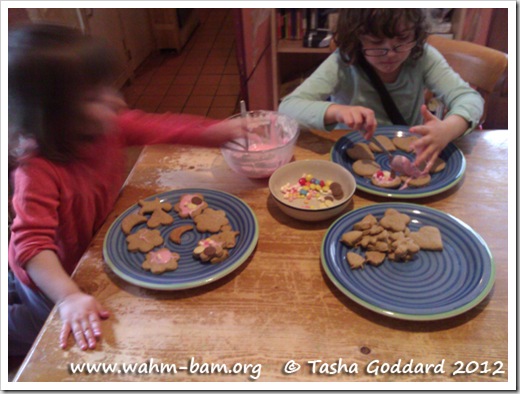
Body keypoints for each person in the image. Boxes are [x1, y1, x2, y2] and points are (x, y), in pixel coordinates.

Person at [8, 24, 244, 356]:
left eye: (107, 87)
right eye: (93, 97)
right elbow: (31, 247)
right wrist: (68, 296)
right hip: (52, 275)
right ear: (52, 116)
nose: (116, 101)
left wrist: (216, 131)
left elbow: (161, 126)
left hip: (87, 248)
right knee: (39, 329)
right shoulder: (38, 170)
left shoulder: (106, 126)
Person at [278, 9, 484, 171]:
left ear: (417, 34)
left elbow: (469, 98)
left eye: (402, 40)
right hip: (350, 158)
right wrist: (336, 111)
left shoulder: (422, 57)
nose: (390, 54)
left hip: (410, 155)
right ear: (356, 37)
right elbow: (287, 108)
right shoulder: (344, 61)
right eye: (376, 43)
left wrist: (449, 128)